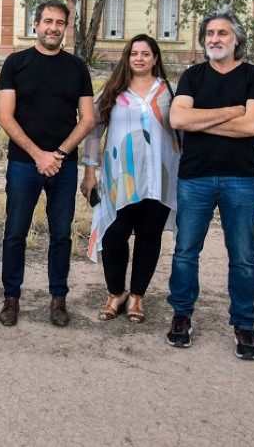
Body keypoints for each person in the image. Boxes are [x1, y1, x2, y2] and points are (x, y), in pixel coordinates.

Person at [166, 7, 254, 360]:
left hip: (241, 179)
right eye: (210, 34)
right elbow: (178, 117)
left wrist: (201, 122)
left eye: (222, 33)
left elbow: (253, 126)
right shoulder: (193, 75)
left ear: (236, 39)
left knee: (242, 257)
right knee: (185, 252)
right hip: (195, 178)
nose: (215, 39)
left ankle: (244, 323)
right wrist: (231, 111)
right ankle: (181, 316)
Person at [0, 0, 95, 327]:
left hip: (64, 168)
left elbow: (88, 119)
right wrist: (39, 155)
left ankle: (58, 299)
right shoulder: (15, 63)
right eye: (48, 21)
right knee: (15, 233)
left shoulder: (77, 67)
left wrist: (60, 154)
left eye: (60, 23)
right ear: (35, 25)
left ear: (66, 28)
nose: (53, 27)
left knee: (61, 234)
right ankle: (11, 298)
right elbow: (5, 116)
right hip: (24, 164)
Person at [81, 34, 180, 324]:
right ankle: (115, 294)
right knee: (114, 235)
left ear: (155, 58)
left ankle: (137, 296)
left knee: (149, 237)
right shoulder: (114, 90)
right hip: (119, 180)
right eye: (134, 53)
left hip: (159, 179)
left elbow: (184, 132)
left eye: (145, 53)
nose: (139, 58)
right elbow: (93, 128)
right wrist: (90, 171)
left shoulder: (170, 92)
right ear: (127, 57)